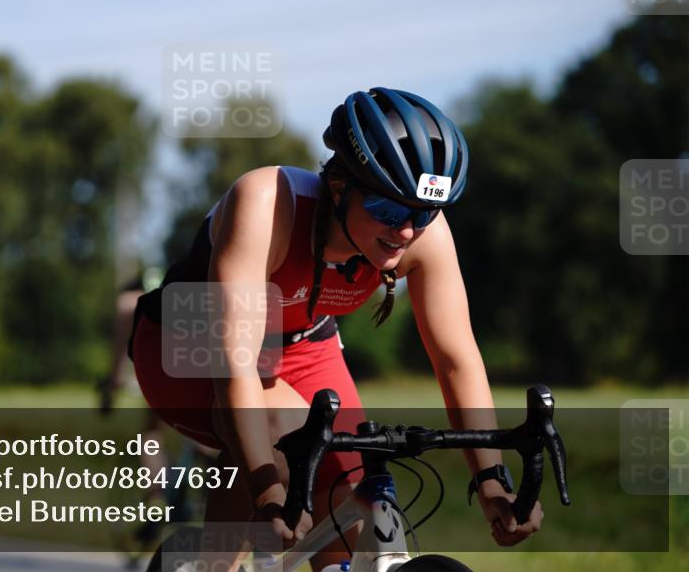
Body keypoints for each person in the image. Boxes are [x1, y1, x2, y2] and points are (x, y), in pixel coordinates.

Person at [129, 88, 544, 570]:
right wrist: (267, 490)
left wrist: (492, 482)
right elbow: (236, 361)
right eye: (389, 211)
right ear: (341, 187)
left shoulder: (422, 236)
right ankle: (215, 565)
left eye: (423, 213)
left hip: (305, 344)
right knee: (281, 430)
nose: (407, 231)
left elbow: (456, 359)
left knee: (351, 484)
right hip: (188, 341)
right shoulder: (268, 203)